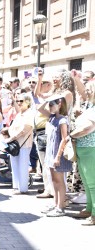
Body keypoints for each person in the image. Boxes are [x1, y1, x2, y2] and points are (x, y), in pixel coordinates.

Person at [38, 95, 72, 217]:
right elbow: (40, 109)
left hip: (58, 154)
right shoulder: (53, 118)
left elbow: (64, 139)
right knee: (53, 181)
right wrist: (47, 100)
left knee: (59, 181)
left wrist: (58, 156)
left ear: (59, 104)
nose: (49, 106)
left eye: (52, 104)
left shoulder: (62, 120)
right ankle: (56, 204)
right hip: (51, 153)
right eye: (49, 104)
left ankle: (60, 207)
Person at [70, 79, 95, 225]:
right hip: (83, 148)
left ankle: (94, 214)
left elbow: (87, 128)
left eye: (89, 88)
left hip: (90, 149)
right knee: (87, 182)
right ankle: (89, 209)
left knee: (92, 183)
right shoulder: (89, 106)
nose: (86, 91)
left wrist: (72, 135)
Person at [3, 94, 34, 194]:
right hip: (15, 143)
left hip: (23, 144)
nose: (19, 103)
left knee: (23, 166)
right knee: (15, 165)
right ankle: (16, 187)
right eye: (18, 101)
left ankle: (23, 188)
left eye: (21, 101)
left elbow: (25, 129)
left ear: (27, 102)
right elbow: (13, 127)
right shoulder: (19, 114)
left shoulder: (29, 114)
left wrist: (12, 137)